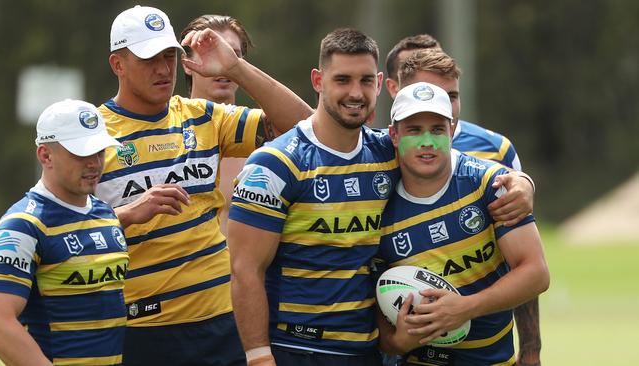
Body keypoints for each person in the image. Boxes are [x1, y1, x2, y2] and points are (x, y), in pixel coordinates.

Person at [226, 28, 534, 366]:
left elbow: (446, 158)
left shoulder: (386, 153)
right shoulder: (274, 164)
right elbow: (245, 271)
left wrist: (522, 181)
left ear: (378, 83)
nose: (355, 93)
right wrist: (258, 357)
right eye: (342, 79)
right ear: (318, 80)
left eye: (364, 81)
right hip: (295, 350)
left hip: (365, 352)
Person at [95, 5, 313, 366]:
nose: (163, 69)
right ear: (118, 64)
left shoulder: (204, 116)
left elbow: (305, 128)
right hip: (140, 328)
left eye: (169, 56)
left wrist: (236, 69)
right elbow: (62, 228)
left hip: (220, 324)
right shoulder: (93, 136)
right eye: (150, 59)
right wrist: (126, 214)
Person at [377, 81, 550, 365]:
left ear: (452, 131)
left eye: (437, 130)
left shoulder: (489, 184)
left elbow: (536, 273)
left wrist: (466, 308)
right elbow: (376, 316)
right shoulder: (379, 203)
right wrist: (397, 341)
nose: (427, 142)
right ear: (394, 135)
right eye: (414, 130)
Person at [0, 100, 126, 365]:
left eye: (99, 152)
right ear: (45, 155)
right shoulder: (22, 225)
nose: (94, 163)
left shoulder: (105, 213)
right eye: (81, 153)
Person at [180, 14, 255, 234]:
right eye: (210, 54)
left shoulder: (267, 138)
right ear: (187, 64)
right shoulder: (162, 136)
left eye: (232, 55)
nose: (222, 65)